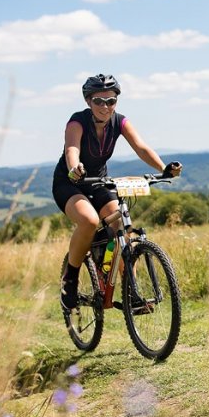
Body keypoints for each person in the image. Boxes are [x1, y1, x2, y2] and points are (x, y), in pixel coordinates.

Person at [54, 73, 181, 312]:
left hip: (98, 182)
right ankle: (69, 281)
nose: (105, 106)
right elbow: (72, 149)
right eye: (99, 101)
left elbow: (141, 147)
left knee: (122, 228)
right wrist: (74, 168)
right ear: (88, 101)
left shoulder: (120, 122)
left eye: (111, 100)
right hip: (70, 183)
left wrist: (163, 168)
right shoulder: (77, 122)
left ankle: (131, 292)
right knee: (89, 221)